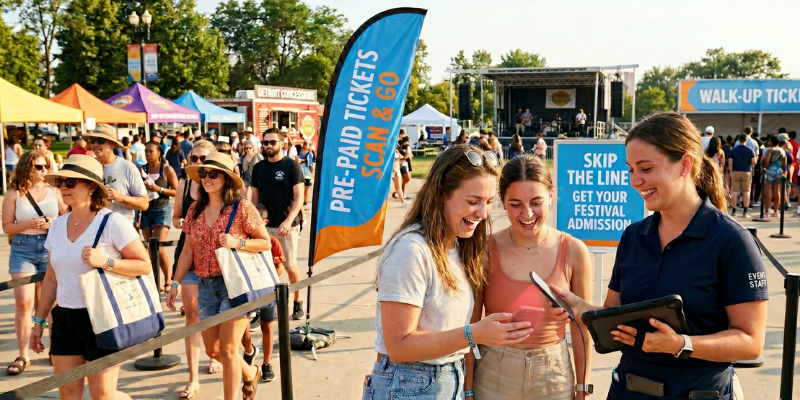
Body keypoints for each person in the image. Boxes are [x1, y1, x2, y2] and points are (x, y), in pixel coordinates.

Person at [550, 113, 768, 400]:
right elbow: (617, 318)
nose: (635, 181)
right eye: (630, 169)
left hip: (698, 392)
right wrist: (579, 308)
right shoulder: (633, 237)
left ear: (685, 165)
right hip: (629, 390)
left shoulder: (732, 241)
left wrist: (681, 344)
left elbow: (751, 342)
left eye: (646, 168)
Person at [363, 145, 534, 400]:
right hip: (408, 384)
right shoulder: (411, 249)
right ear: (442, 194)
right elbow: (398, 346)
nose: (483, 213)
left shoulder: (459, 244)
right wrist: (473, 333)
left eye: (488, 202)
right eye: (473, 201)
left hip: (446, 378)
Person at [467, 154, 590, 400]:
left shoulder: (574, 250)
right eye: (515, 204)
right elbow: (470, 324)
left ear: (551, 196)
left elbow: (581, 326)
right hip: (493, 373)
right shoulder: (483, 248)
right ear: (501, 201)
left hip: (554, 375)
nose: (527, 213)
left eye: (536, 202)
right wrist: (468, 388)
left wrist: (583, 387)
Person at [31, 154, 150, 400]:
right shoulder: (57, 225)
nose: (63, 187)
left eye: (71, 182)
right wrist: (39, 321)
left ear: (92, 186)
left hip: (103, 317)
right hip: (64, 317)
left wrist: (106, 262)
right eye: (61, 181)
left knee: (103, 395)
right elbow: (52, 279)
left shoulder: (112, 222)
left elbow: (144, 265)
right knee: (67, 391)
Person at [168, 152, 269, 400]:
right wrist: (174, 282)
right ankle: (250, 372)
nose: (207, 178)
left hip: (234, 285)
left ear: (226, 178)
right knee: (213, 351)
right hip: (205, 286)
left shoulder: (242, 207)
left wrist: (238, 243)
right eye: (203, 173)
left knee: (227, 348)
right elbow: (187, 251)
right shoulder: (195, 209)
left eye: (213, 174)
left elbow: (265, 243)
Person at [2, 150, 66, 375]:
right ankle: (23, 354)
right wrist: (27, 223)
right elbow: (7, 226)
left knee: (52, 304)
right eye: (39, 167)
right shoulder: (14, 193)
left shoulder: (54, 190)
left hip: (50, 246)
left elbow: (67, 217)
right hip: (23, 248)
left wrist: (52, 222)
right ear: (27, 167)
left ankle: (55, 350)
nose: (44, 171)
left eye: (46, 166)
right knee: (23, 303)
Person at [171, 140, 222, 397]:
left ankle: (217, 355)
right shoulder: (183, 186)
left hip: (218, 262)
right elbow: (176, 216)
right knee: (191, 317)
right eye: (195, 160)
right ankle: (192, 378)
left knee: (213, 319)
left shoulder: (224, 189)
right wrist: (181, 221)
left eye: (205, 160)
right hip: (189, 254)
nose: (200, 165)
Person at [251, 128, 306, 320]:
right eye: (265, 142)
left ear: (282, 144)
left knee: (290, 266)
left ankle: (298, 302)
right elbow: (255, 200)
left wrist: (289, 220)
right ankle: (262, 308)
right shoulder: (258, 168)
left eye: (272, 142)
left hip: (287, 225)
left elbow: (299, 198)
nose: (267, 146)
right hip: (264, 226)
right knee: (263, 268)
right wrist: (253, 224)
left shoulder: (292, 166)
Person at [83, 124, 149, 220]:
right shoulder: (87, 167)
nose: (96, 144)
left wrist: (120, 197)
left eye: (101, 140)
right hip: (93, 229)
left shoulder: (127, 167)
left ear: (113, 144)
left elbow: (144, 203)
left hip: (121, 230)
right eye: (93, 140)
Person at [141, 141, 179, 290]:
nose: (148, 154)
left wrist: (159, 189)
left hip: (162, 210)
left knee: (159, 246)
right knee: (150, 248)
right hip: (145, 211)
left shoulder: (166, 169)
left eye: (151, 151)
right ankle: (154, 280)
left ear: (159, 153)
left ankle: (167, 278)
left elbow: (177, 191)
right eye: (146, 151)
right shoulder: (141, 170)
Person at [729, 134, 757, 218]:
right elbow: (754, 162)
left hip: (735, 171)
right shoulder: (750, 150)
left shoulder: (733, 150)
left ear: (738, 140)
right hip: (746, 172)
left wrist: (731, 172)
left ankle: (734, 211)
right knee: (746, 191)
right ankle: (745, 211)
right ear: (746, 140)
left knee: (734, 191)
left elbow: (730, 162)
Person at [762, 136, 786, 217]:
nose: (768, 142)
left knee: (768, 191)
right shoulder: (782, 150)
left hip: (770, 171)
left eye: (769, 141)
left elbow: (766, 163)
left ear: (772, 142)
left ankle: (766, 212)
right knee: (777, 192)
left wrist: (764, 163)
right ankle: (776, 211)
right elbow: (784, 163)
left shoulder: (770, 150)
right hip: (779, 171)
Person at [298, 140, 314, 206]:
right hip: (300, 171)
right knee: (300, 188)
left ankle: (305, 201)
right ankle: (300, 201)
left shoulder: (310, 153)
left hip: (307, 172)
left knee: (307, 188)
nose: (307, 145)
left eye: (309, 144)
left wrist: (301, 160)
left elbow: (309, 162)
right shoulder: (299, 150)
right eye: (305, 143)